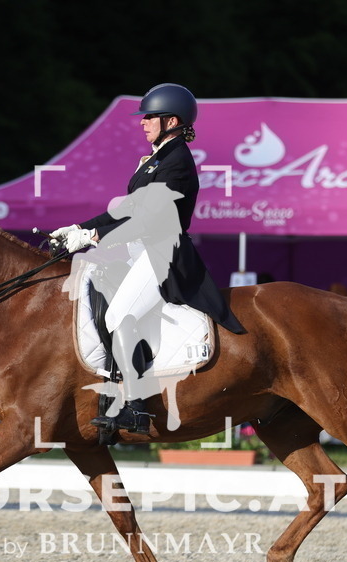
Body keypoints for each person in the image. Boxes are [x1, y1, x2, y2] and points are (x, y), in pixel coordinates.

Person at [51, 83, 245, 438]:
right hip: (141, 251)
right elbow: (126, 210)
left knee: (118, 314)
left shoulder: (178, 162)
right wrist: (78, 228)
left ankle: (135, 406)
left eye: (149, 117)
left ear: (172, 121)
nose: (143, 123)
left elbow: (151, 219)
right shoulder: (157, 159)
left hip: (163, 254)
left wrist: (93, 237)